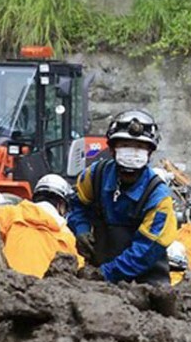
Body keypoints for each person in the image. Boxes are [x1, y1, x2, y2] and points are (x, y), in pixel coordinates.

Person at [68, 110, 177, 285]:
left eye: (140, 148)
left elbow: (145, 250)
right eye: (125, 145)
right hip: (98, 276)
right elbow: (77, 205)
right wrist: (81, 229)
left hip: (146, 283)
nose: (132, 154)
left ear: (149, 153)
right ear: (112, 149)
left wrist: (105, 274)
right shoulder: (95, 176)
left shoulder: (158, 197)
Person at [0, 174, 82, 278]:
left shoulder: (10, 214)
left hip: (7, 284)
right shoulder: (65, 236)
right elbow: (78, 265)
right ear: (61, 205)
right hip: (43, 290)